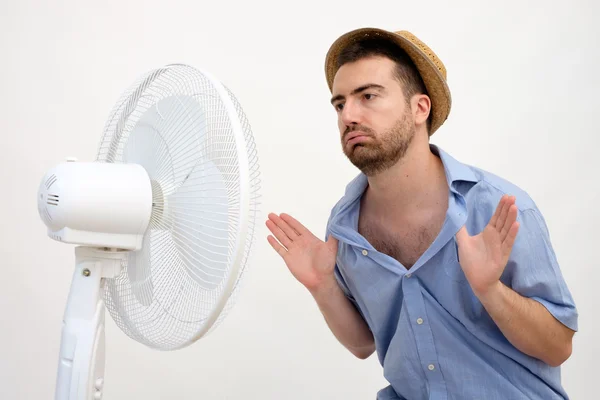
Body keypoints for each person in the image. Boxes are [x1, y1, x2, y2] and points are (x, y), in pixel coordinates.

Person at [265, 27, 578, 400]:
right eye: (339, 103)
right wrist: (322, 286)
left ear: (419, 108)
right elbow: (364, 343)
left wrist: (489, 290)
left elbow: (558, 347)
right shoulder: (344, 227)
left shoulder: (498, 207)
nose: (348, 114)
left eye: (367, 96)